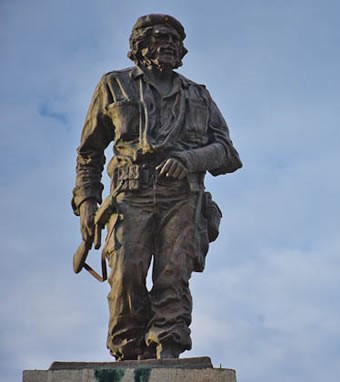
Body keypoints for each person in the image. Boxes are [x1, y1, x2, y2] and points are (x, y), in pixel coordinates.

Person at [72, 14, 242, 361]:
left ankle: (168, 346)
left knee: (173, 274)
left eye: (174, 39)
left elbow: (228, 153)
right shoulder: (113, 85)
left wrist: (189, 160)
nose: (167, 44)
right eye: (157, 37)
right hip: (129, 196)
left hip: (181, 196)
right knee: (125, 275)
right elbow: (89, 153)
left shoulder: (198, 95)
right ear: (138, 46)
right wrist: (88, 201)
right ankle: (129, 350)